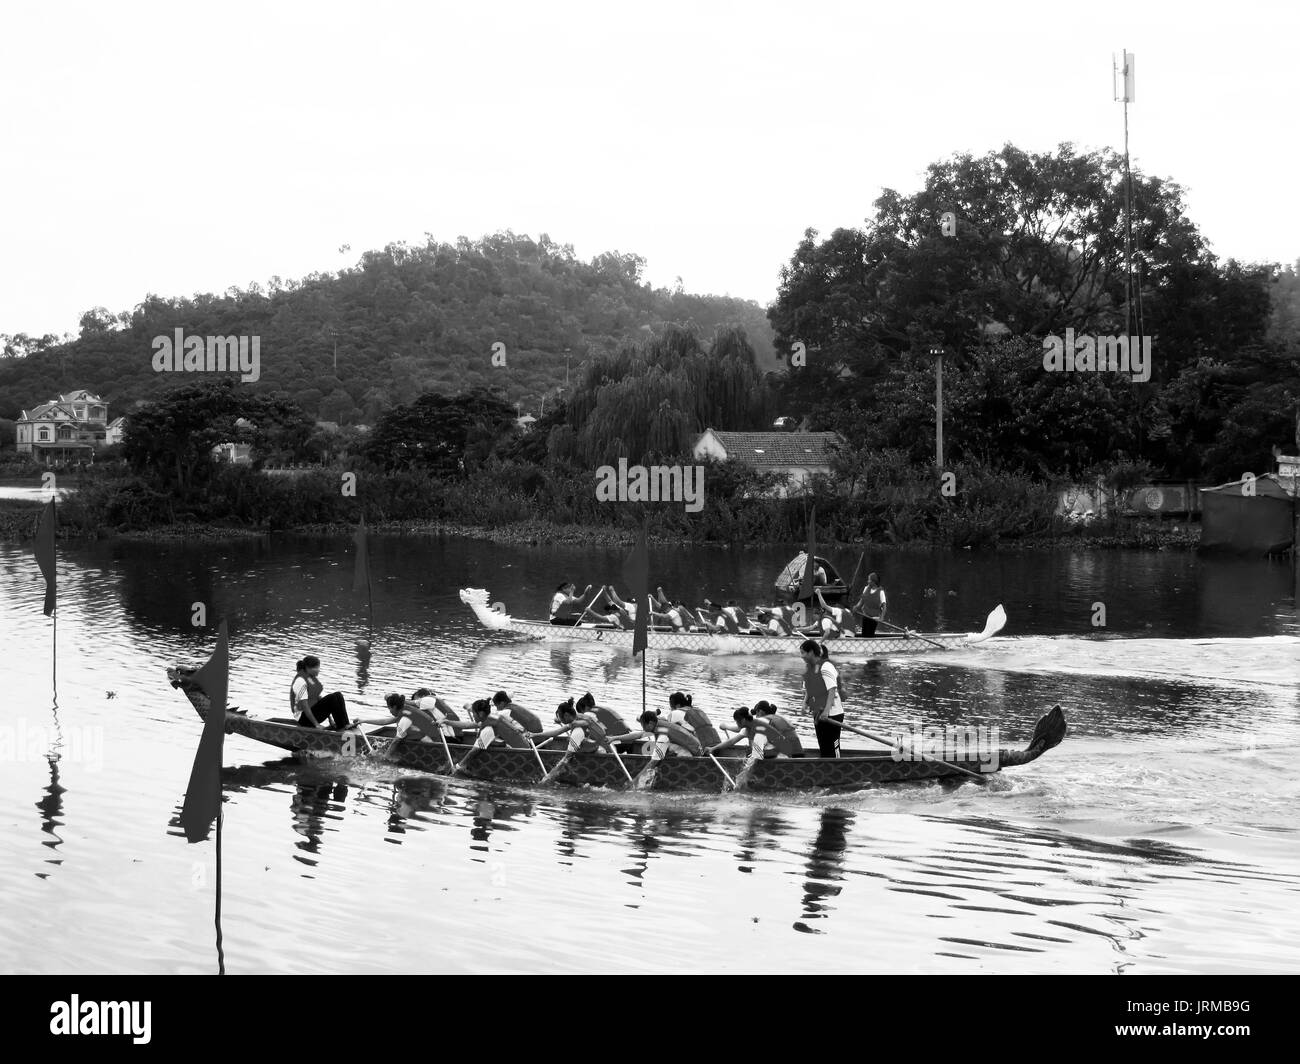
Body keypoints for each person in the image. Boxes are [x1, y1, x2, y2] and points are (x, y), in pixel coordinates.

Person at [711, 702, 803, 759]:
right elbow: (732, 741)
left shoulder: (761, 725)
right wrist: (713, 748)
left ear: (760, 712)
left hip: (786, 755)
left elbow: (758, 754)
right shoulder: (752, 725)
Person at [800, 640, 844, 758]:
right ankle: (826, 769)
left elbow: (832, 689)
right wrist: (804, 704)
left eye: (803, 653)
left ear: (811, 653)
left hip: (833, 713)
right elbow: (809, 689)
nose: (801, 656)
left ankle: (837, 767)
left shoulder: (826, 666)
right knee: (823, 746)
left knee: (833, 746)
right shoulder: (810, 669)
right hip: (818, 712)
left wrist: (826, 711)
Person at [607, 710, 703, 758]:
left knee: (660, 748)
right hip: (697, 747)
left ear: (650, 723)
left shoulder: (662, 733)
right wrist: (614, 738)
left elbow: (655, 760)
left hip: (692, 754)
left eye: (643, 725)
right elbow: (638, 735)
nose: (643, 728)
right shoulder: (659, 721)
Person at [289, 655, 352, 729]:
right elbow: (305, 706)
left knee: (338, 695)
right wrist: (317, 725)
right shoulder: (301, 681)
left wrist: (330, 719)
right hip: (303, 719)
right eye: (317, 668)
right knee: (332, 698)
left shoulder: (310, 679)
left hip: (310, 713)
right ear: (309, 668)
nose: (319, 670)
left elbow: (320, 699)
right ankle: (341, 727)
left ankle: (346, 724)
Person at [466, 698, 534, 750]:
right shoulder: (493, 718)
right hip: (524, 745)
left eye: (473, 713)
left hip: (521, 751)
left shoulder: (489, 727)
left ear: (481, 714)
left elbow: (475, 749)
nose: (473, 715)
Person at [852, 572, 887, 637]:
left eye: (869, 580)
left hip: (874, 618)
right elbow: (861, 601)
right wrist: (856, 607)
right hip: (865, 615)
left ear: (873, 582)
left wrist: (881, 618)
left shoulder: (881, 592)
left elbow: (884, 607)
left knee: (870, 634)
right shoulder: (866, 588)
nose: (867, 581)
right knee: (864, 634)